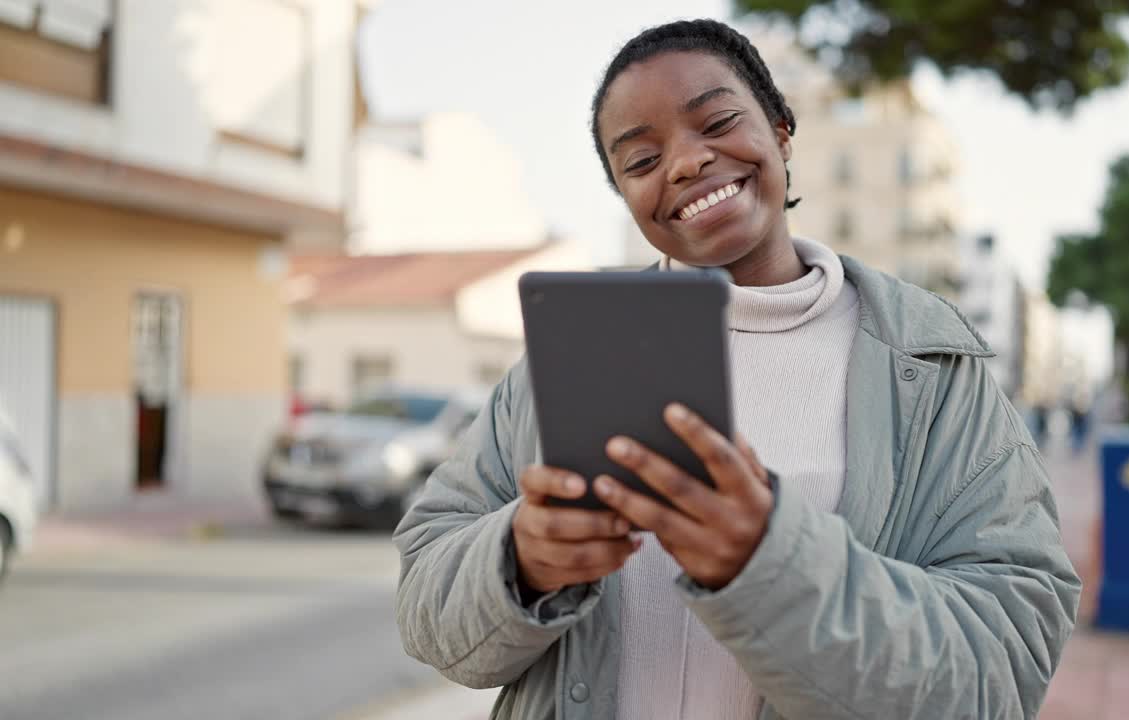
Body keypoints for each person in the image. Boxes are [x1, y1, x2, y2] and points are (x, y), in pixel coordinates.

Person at [394, 19, 1079, 720]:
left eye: (717, 121)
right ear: (628, 199)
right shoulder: (561, 361)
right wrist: (520, 559)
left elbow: (1005, 656)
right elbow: (425, 599)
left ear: (782, 130)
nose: (686, 163)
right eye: (640, 161)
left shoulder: (930, 366)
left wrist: (768, 563)